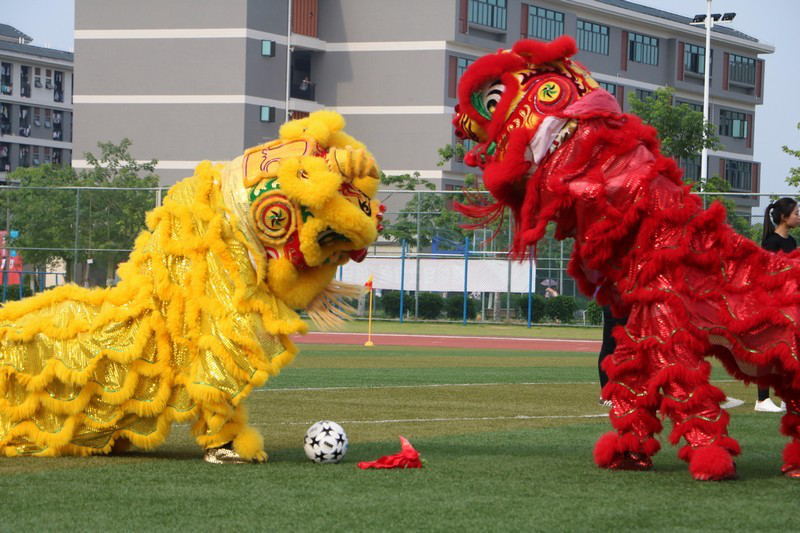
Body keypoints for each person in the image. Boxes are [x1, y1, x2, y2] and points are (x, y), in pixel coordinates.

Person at [756, 197, 800, 412]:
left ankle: (787, 394)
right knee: (768, 351)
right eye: (796, 213)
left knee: (790, 350)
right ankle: (762, 400)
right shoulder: (771, 243)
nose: (798, 217)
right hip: (772, 304)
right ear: (784, 217)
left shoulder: (791, 241)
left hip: (789, 303)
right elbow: (767, 274)